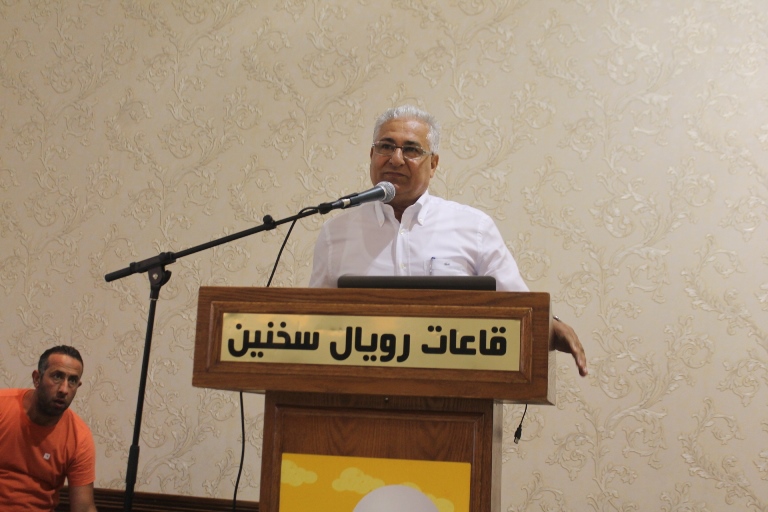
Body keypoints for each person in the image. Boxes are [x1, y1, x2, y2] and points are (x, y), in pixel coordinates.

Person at [309, 104, 588, 376]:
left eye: (411, 149)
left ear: (433, 164)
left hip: (454, 389)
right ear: (372, 155)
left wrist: (551, 326)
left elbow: (518, 306)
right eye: (386, 146)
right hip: (361, 388)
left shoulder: (473, 228)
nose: (396, 159)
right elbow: (314, 322)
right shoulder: (336, 233)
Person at [0, 345, 98, 512]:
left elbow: (84, 507)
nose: (64, 389)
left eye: (72, 381)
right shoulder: (3, 406)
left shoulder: (79, 437)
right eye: (57, 376)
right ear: (37, 378)